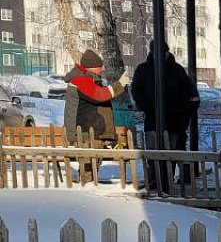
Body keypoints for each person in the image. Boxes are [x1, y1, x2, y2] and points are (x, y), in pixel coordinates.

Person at [130, 41, 200, 194]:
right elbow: (136, 90)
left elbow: (189, 94)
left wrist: (181, 111)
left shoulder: (176, 71)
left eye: (163, 52)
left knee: (171, 152)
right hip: (154, 119)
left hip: (173, 121)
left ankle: (167, 181)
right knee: (154, 152)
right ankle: (155, 180)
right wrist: (146, 106)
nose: (161, 55)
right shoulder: (144, 70)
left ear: (167, 52)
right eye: (158, 53)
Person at [63, 49, 128, 181]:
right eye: (99, 67)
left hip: (93, 131)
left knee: (93, 164)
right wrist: (120, 85)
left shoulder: (89, 79)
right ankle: (87, 191)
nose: (101, 70)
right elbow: (99, 95)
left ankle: (89, 187)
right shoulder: (80, 80)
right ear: (92, 67)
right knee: (88, 167)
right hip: (86, 131)